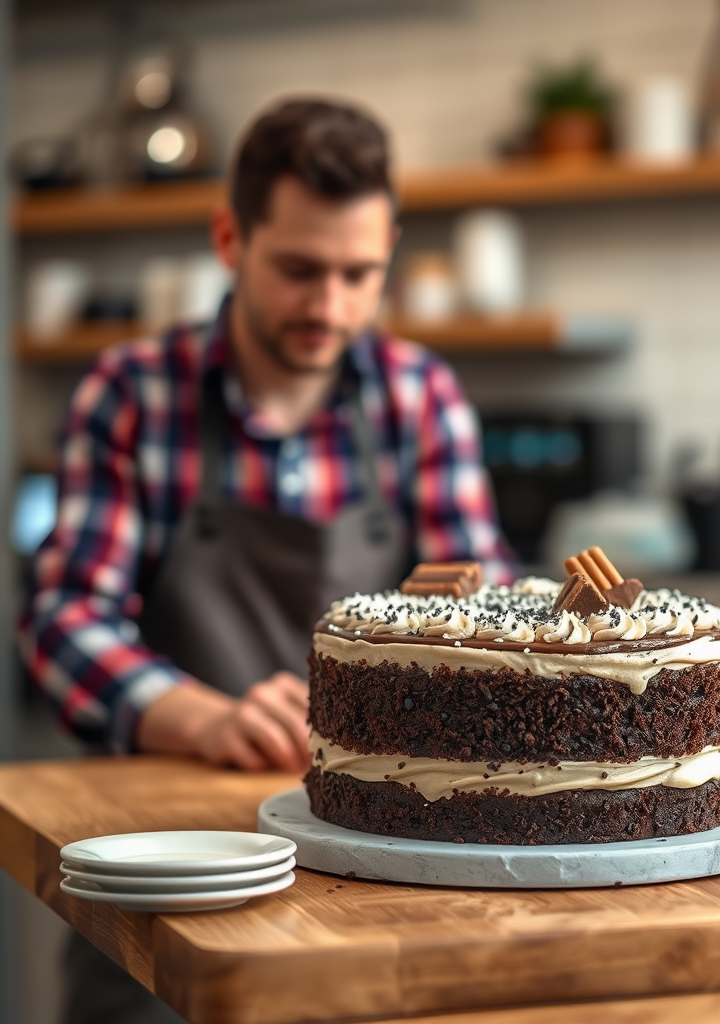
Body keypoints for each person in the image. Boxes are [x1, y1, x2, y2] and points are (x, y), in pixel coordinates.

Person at [19, 97, 517, 1024]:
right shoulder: (133, 393)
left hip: (374, 866)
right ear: (228, 238)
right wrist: (204, 719)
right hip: (175, 868)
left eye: (358, 273)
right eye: (298, 269)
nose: (328, 307)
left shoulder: (421, 399)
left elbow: (478, 610)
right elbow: (64, 622)